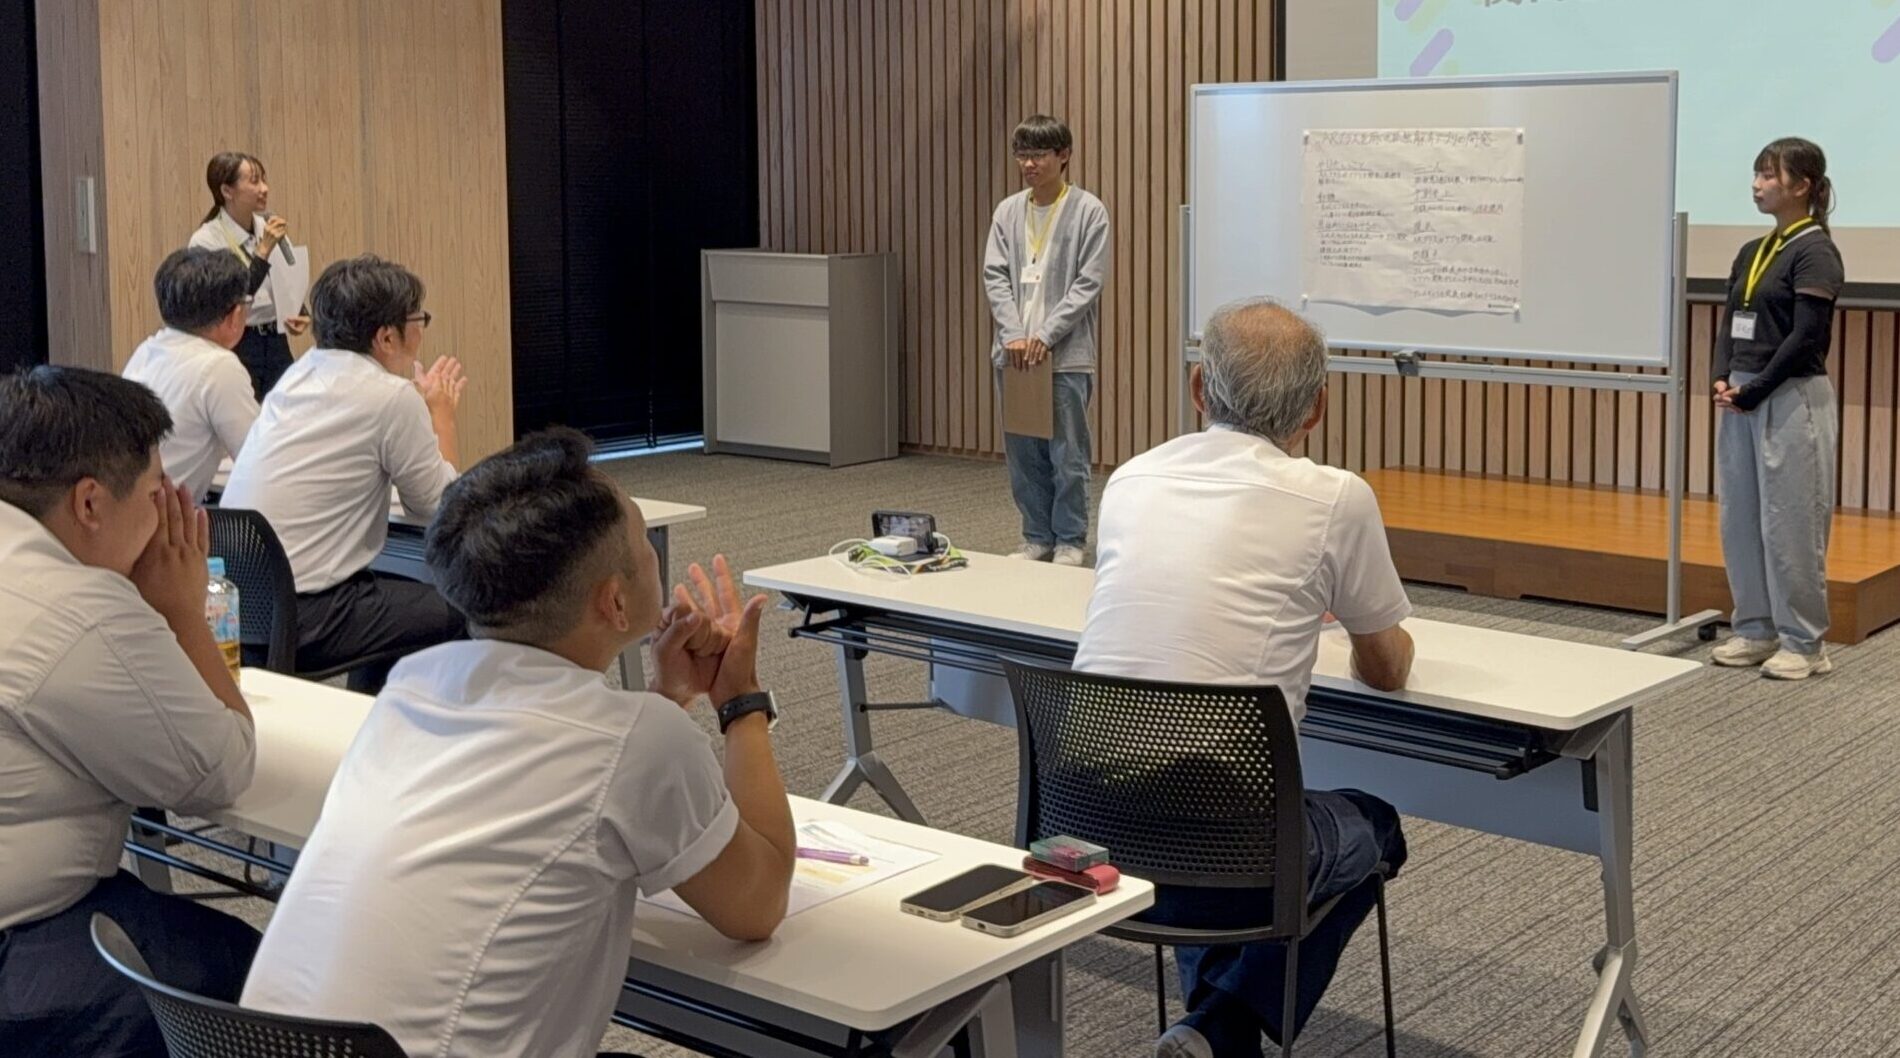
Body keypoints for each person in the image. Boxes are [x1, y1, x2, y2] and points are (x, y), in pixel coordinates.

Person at [241, 428, 796, 1058]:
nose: (653, 557)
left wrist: (665, 699)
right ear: (615, 602)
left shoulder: (411, 687)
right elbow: (758, 905)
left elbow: (585, 774)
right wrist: (740, 701)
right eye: (645, 542)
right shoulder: (637, 742)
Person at [1073, 299, 1413, 1058]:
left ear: (1199, 389)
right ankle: (1221, 1030)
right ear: (1318, 408)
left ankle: (1211, 1034)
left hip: (1089, 833)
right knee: (1375, 826)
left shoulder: (1129, 479)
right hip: (1230, 856)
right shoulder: (1336, 497)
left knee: (1207, 801)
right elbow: (1387, 670)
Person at [0, 366, 259, 1058]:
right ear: (90, 503)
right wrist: (182, 610)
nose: (170, 512)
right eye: (157, 493)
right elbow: (219, 773)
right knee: (259, 965)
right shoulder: (76, 607)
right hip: (20, 951)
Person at [219, 254, 468, 692]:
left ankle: (370, 715)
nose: (421, 329)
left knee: (394, 609)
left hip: (244, 608)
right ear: (386, 337)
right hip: (307, 616)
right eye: (418, 319)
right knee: (463, 607)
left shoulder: (299, 374)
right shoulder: (390, 397)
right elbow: (440, 509)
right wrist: (441, 415)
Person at [1709, 138, 1845, 681]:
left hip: (1790, 395)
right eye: (1756, 173)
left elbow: (1807, 336)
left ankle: (1804, 642)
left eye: (1769, 175)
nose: (1757, 185)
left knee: (1791, 522)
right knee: (1740, 518)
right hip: (1742, 394)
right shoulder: (1751, 250)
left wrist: (1757, 389)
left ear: (1802, 185)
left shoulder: (1816, 252)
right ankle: (1755, 628)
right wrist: (1722, 375)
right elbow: (1729, 323)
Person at [983, 113, 1111, 567]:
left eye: (1038, 154)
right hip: (1015, 355)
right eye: (1022, 155)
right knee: (1024, 453)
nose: (1029, 164)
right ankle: (1036, 536)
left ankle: (1071, 540)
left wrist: (1045, 334)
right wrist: (1015, 335)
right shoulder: (1007, 211)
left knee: (1067, 453)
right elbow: (995, 276)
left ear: (1064, 155)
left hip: (1065, 356)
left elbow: (1088, 283)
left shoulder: (1089, 211)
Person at [122, 248, 260, 503]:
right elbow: (259, 459)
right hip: (163, 519)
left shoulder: (148, 349)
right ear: (234, 316)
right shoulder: (219, 366)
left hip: (131, 510)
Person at [187, 151, 310, 400]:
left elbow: (286, 276)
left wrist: (299, 310)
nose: (264, 189)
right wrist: (262, 251)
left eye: (264, 180)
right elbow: (234, 297)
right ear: (227, 191)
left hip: (275, 341)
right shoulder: (207, 239)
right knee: (246, 414)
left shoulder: (268, 226)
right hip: (239, 343)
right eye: (254, 181)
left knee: (287, 410)